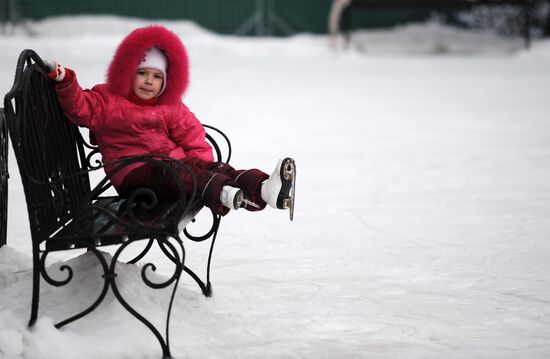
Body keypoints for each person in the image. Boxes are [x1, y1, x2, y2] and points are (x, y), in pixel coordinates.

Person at [44, 25, 296, 219]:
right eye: (141, 73)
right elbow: (81, 108)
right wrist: (66, 81)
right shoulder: (108, 100)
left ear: (165, 81)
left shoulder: (168, 104)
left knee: (211, 168)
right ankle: (222, 191)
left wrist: (206, 167)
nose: (148, 81)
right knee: (173, 171)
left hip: (172, 169)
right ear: (127, 73)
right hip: (134, 176)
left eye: (156, 76)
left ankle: (262, 189)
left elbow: (191, 134)